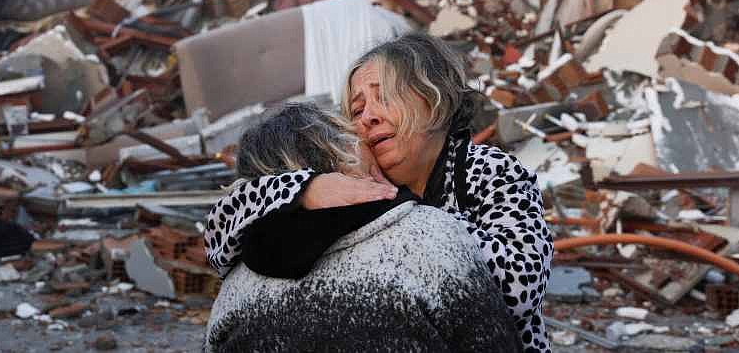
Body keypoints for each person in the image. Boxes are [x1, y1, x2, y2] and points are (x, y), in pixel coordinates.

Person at [205, 33, 554, 352]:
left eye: (384, 98)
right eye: (357, 110)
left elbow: (520, 288)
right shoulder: (356, 179)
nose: (368, 118)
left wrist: (414, 219)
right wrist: (305, 190)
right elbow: (221, 236)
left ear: (435, 100)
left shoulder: (490, 170)